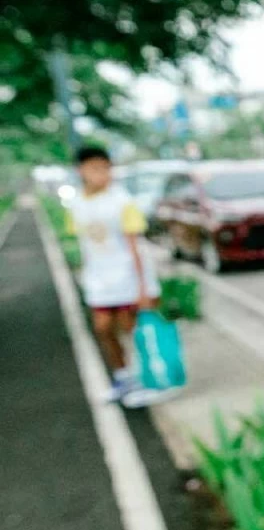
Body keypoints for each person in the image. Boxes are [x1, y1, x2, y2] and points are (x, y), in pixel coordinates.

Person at [66, 146, 167, 405]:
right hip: (99, 279)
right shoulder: (76, 202)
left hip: (127, 278)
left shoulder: (122, 201)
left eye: (106, 168)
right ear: (82, 171)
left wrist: (143, 287)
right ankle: (123, 377)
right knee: (102, 329)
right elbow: (84, 243)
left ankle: (146, 380)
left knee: (130, 329)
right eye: (95, 169)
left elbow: (136, 247)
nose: (102, 174)